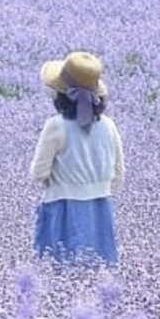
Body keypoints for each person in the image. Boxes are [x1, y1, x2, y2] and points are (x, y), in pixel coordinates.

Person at [29, 51, 124, 266]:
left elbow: (39, 173)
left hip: (62, 209)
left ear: (60, 93)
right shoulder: (109, 126)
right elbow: (118, 173)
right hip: (100, 211)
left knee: (61, 270)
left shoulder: (55, 125)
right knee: (100, 270)